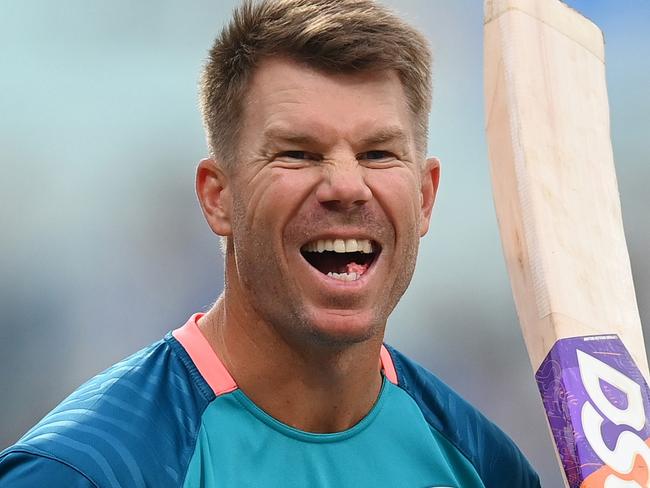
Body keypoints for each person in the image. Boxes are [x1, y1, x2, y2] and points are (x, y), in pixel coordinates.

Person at [0, 0, 540, 486]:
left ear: (424, 197)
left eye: (378, 154)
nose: (347, 187)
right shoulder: (88, 472)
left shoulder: (484, 466)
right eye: (298, 154)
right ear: (218, 198)